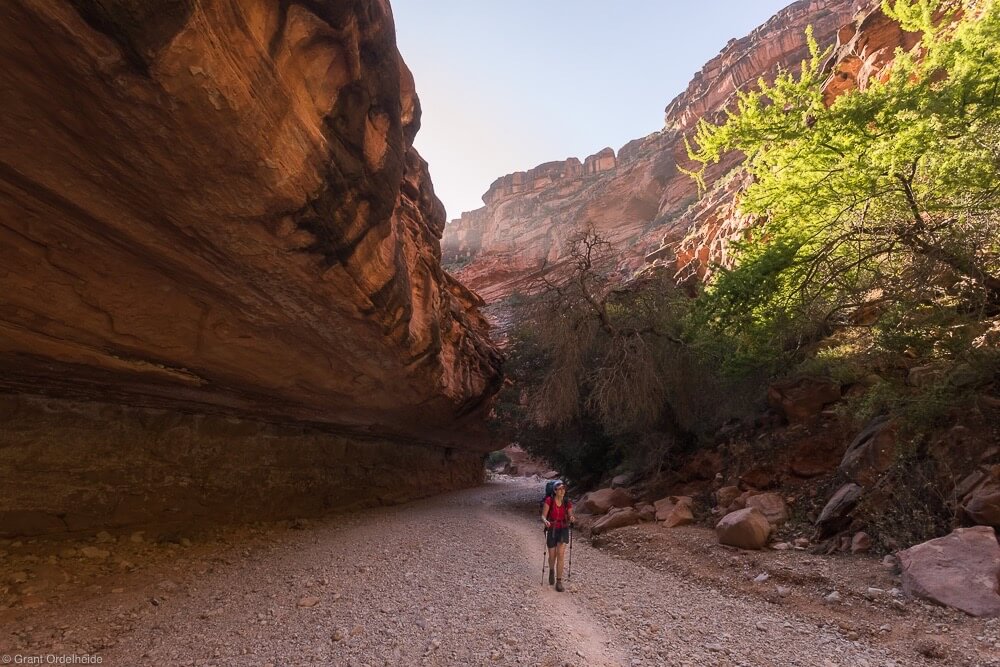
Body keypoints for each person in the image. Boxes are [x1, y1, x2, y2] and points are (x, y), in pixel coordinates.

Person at [541, 480, 575, 592]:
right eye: (560, 489)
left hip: (563, 529)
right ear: (555, 490)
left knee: (560, 555)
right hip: (552, 529)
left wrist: (571, 518)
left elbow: (570, 515)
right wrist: (545, 521)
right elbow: (543, 516)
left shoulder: (567, 502)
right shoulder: (549, 500)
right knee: (552, 556)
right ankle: (551, 570)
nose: (562, 490)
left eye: (563, 488)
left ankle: (559, 581)